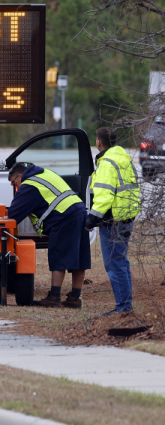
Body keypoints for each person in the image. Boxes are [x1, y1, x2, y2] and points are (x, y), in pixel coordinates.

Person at [7, 162, 90, 308]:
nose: (15, 187)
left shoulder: (29, 185)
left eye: (14, 182)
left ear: (20, 175)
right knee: (79, 257)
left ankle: (54, 297)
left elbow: (13, 214)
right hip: (79, 211)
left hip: (64, 217)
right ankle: (75, 298)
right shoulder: (45, 173)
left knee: (58, 256)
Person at [85, 127, 141, 316]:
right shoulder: (124, 159)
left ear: (99, 142)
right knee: (121, 262)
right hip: (126, 218)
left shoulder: (107, 163)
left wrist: (91, 219)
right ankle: (126, 305)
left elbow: (104, 197)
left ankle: (124, 308)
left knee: (114, 264)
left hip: (112, 222)